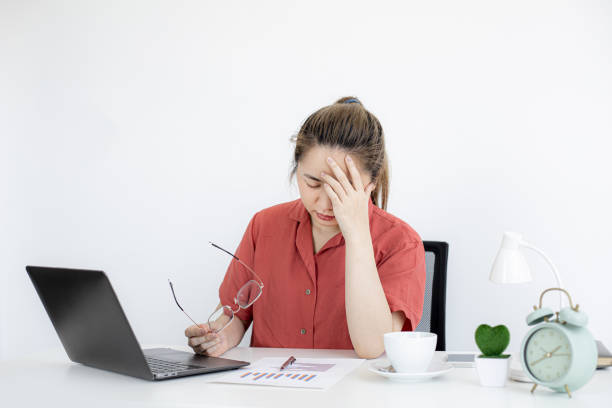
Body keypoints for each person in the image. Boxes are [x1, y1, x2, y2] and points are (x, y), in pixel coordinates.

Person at [185, 97, 426, 359]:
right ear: (297, 169)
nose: (324, 203)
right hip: (273, 390)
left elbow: (372, 347)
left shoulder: (402, 242)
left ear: (372, 181)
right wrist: (219, 338)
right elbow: (236, 317)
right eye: (312, 183)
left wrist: (357, 236)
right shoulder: (263, 226)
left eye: (341, 188)